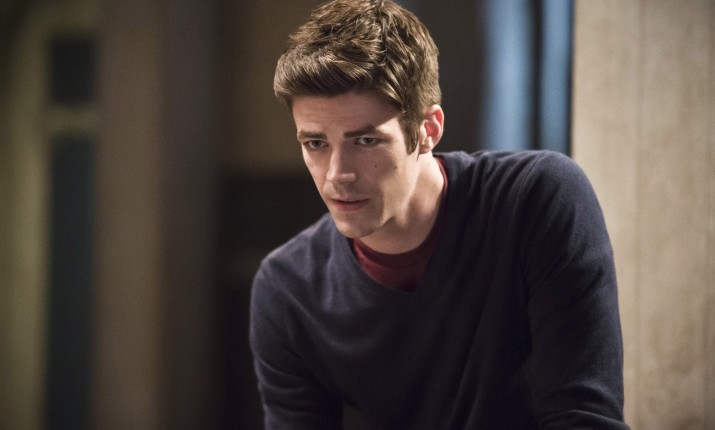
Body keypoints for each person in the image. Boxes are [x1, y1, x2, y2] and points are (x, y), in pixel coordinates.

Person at [250, 0, 629, 428]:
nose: (338, 174)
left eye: (366, 141)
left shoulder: (537, 200)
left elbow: (583, 418)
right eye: (316, 144)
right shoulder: (288, 288)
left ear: (428, 129)